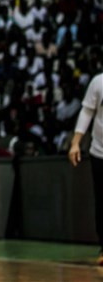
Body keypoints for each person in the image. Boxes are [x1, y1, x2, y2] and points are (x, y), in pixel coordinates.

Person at [69, 71, 103, 265]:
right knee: (102, 202)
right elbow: (87, 111)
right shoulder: (98, 82)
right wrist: (75, 143)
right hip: (100, 152)